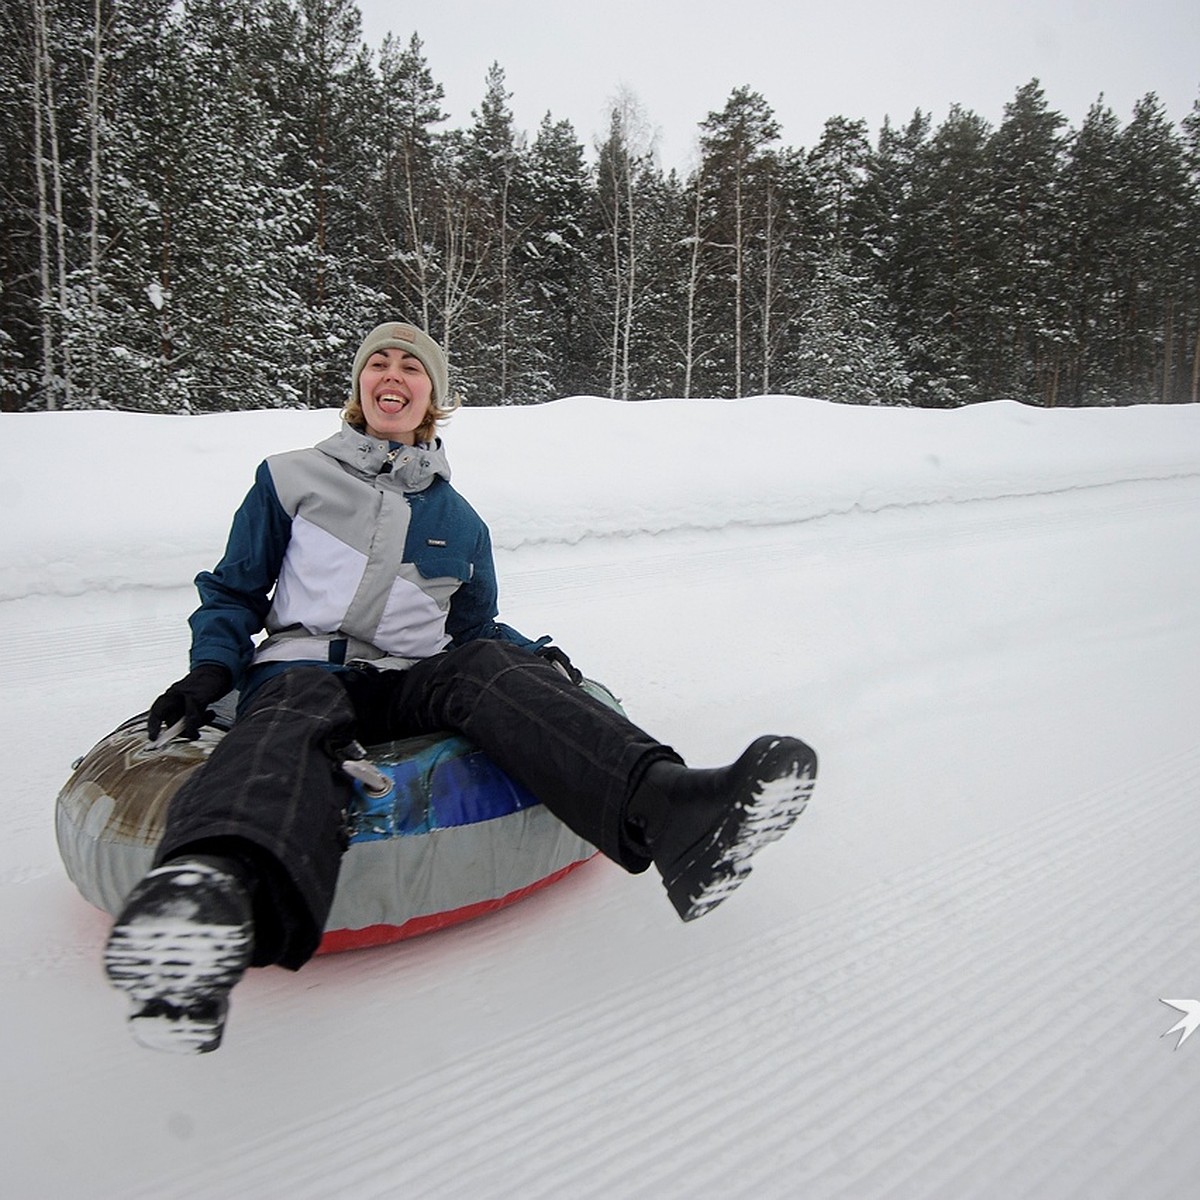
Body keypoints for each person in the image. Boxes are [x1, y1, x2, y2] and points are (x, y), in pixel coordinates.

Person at [103, 321, 818, 1054]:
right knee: (295, 709)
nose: (392, 373)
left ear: (432, 397)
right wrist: (209, 672)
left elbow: (475, 627)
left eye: (411, 366)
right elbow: (233, 591)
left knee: (484, 669)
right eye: (376, 360)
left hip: (410, 679)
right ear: (359, 387)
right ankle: (210, 898)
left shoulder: (460, 521)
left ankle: (675, 814)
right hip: (302, 668)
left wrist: (534, 658)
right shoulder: (289, 477)